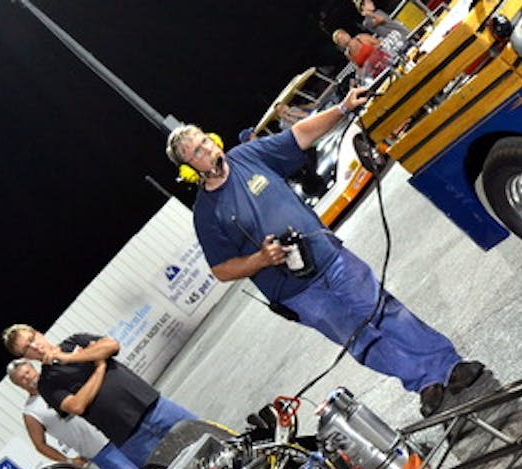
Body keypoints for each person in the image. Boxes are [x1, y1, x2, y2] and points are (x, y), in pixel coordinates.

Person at [164, 87, 483, 417]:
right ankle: (422, 382)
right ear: (189, 169)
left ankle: (448, 367)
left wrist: (343, 108)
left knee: (382, 309)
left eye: (205, 141)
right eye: (196, 153)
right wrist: (259, 260)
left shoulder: (248, 156)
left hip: (328, 256)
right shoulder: (206, 213)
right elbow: (220, 269)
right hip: (295, 292)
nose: (207, 150)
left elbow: (299, 135)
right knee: (359, 339)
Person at [1, 325, 197, 469]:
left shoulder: (74, 340)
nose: (35, 346)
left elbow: (111, 345)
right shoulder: (47, 384)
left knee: (210, 439)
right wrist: (99, 366)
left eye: (32, 339)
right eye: (26, 348)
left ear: (39, 333)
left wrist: (69, 358)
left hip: (155, 407)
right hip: (130, 438)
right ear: (25, 356)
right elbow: (77, 406)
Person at [7, 359, 140, 469]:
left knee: (152, 466)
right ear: (18, 385)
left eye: (27, 372)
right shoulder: (31, 412)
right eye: (22, 378)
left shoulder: (59, 380)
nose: (28, 378)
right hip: (99, 450)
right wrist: (68, 461)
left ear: (33, 368)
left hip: (119, 430)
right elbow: (40, 445)